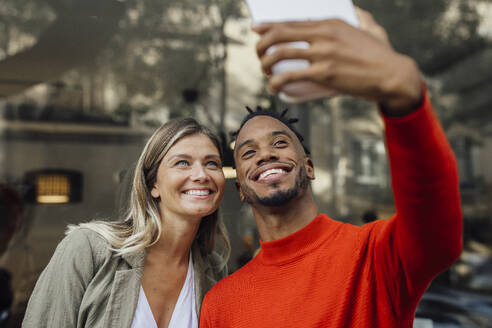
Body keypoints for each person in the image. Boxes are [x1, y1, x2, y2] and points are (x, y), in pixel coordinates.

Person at [199, 7, 462, 328]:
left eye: (280, 143)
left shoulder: (374, 254)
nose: (265, 154)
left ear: (308, 167)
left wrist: (404, 92)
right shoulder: (220, 304)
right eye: (248, 152)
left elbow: (437, 231)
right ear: (239, 189)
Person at [23, 117, 230, 327]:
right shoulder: (88, 250)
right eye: (182, 163)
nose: (201, 174)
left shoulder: (214, 271)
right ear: (153, 185)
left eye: (212, 163)